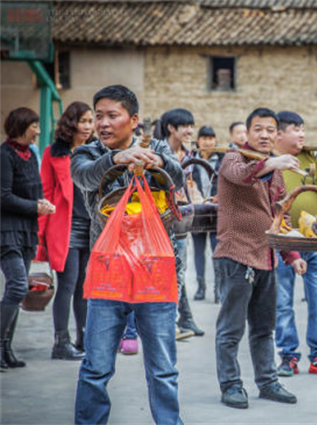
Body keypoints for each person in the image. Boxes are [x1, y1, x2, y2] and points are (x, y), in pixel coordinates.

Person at [71, 85, 185, 425]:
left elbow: (176, 178)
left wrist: (159, 162)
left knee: (163, 368)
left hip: (154, 272)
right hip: (109, 271)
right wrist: (116, 159)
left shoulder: (158, 146)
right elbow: (86, 178)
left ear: (133, 120)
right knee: (96, 367)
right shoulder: (86, 153)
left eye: (112, 116)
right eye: (98, 116)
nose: (103, 124)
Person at [213, 108, 306, 409]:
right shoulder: (233, 158)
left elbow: (280, 215)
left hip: (266, 258)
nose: (264, 135)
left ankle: (267, 382)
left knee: (264, 328)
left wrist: (291, 255)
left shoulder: (276, 171)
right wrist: (271, 162)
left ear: (276, 134)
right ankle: (230, 385)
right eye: (258, 129)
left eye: (269, 130)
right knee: (231, 329)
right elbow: (241, 176)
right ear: (248, 133)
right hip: (236, 255)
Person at [273, 111, 317, 377]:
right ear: (279, 134)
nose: (302, 134)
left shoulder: (314, 156)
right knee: (282, 303)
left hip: (316, 239)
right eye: (296, 129)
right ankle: (288, 356)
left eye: (303, 129)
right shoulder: (271, 161)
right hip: (281, 241)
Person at [36, 101, 95, 360]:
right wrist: (40, 237)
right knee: (68, 285)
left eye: (91, 121)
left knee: (85, 286)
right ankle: (61, 343)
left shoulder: (95, 152)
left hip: (91, 226)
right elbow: (45, 193)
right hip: (65, 227)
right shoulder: (54, 153)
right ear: (71, 124)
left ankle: (83, 340)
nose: (89, 127)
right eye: (84, 121)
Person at [0, 107, 55, 370]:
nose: (38, 130)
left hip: (26, 230)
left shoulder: (30, 155)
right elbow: (3, 196)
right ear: (21, 126)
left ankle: (6, 349)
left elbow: (33, 190)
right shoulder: (4, 155)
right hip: (6, 231)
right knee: (18, 286)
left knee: (18, 289)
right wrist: (35, 207)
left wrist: (41, 203)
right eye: (34, 125)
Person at [157, 108, 203, 337]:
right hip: (161, 220)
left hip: (183, 219)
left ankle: (174, 322)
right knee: (163, 272)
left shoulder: (190, 155)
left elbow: (193, 186)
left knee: (180, 271)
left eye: (191, 125)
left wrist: (201, 199)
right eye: (185, 126)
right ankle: (167, 323)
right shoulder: (158, 152)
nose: (190, 130)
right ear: (171, 128)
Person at [191, 125, 223, 302]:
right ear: (198, 141)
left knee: (216, 251)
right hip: (197, 212)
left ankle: (217, 288)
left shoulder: (222, 160)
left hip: (216, 212)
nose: (208, 142)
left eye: (211, 138)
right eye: (204, 138)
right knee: (198, 251)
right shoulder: (192, 161)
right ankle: (200, 286)